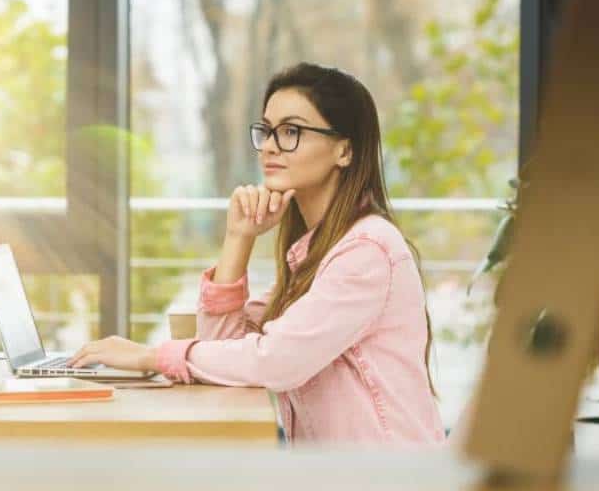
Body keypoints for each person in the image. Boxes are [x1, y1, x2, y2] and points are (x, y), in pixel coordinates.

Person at [69, 62, 446, 447]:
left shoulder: (366, 252)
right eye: (267, 130)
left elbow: (275, 361)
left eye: (291, 132)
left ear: (344, 150)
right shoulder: (316, 254)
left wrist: (151, 356)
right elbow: (222, 349)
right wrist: (238, 238)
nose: (269, 146)